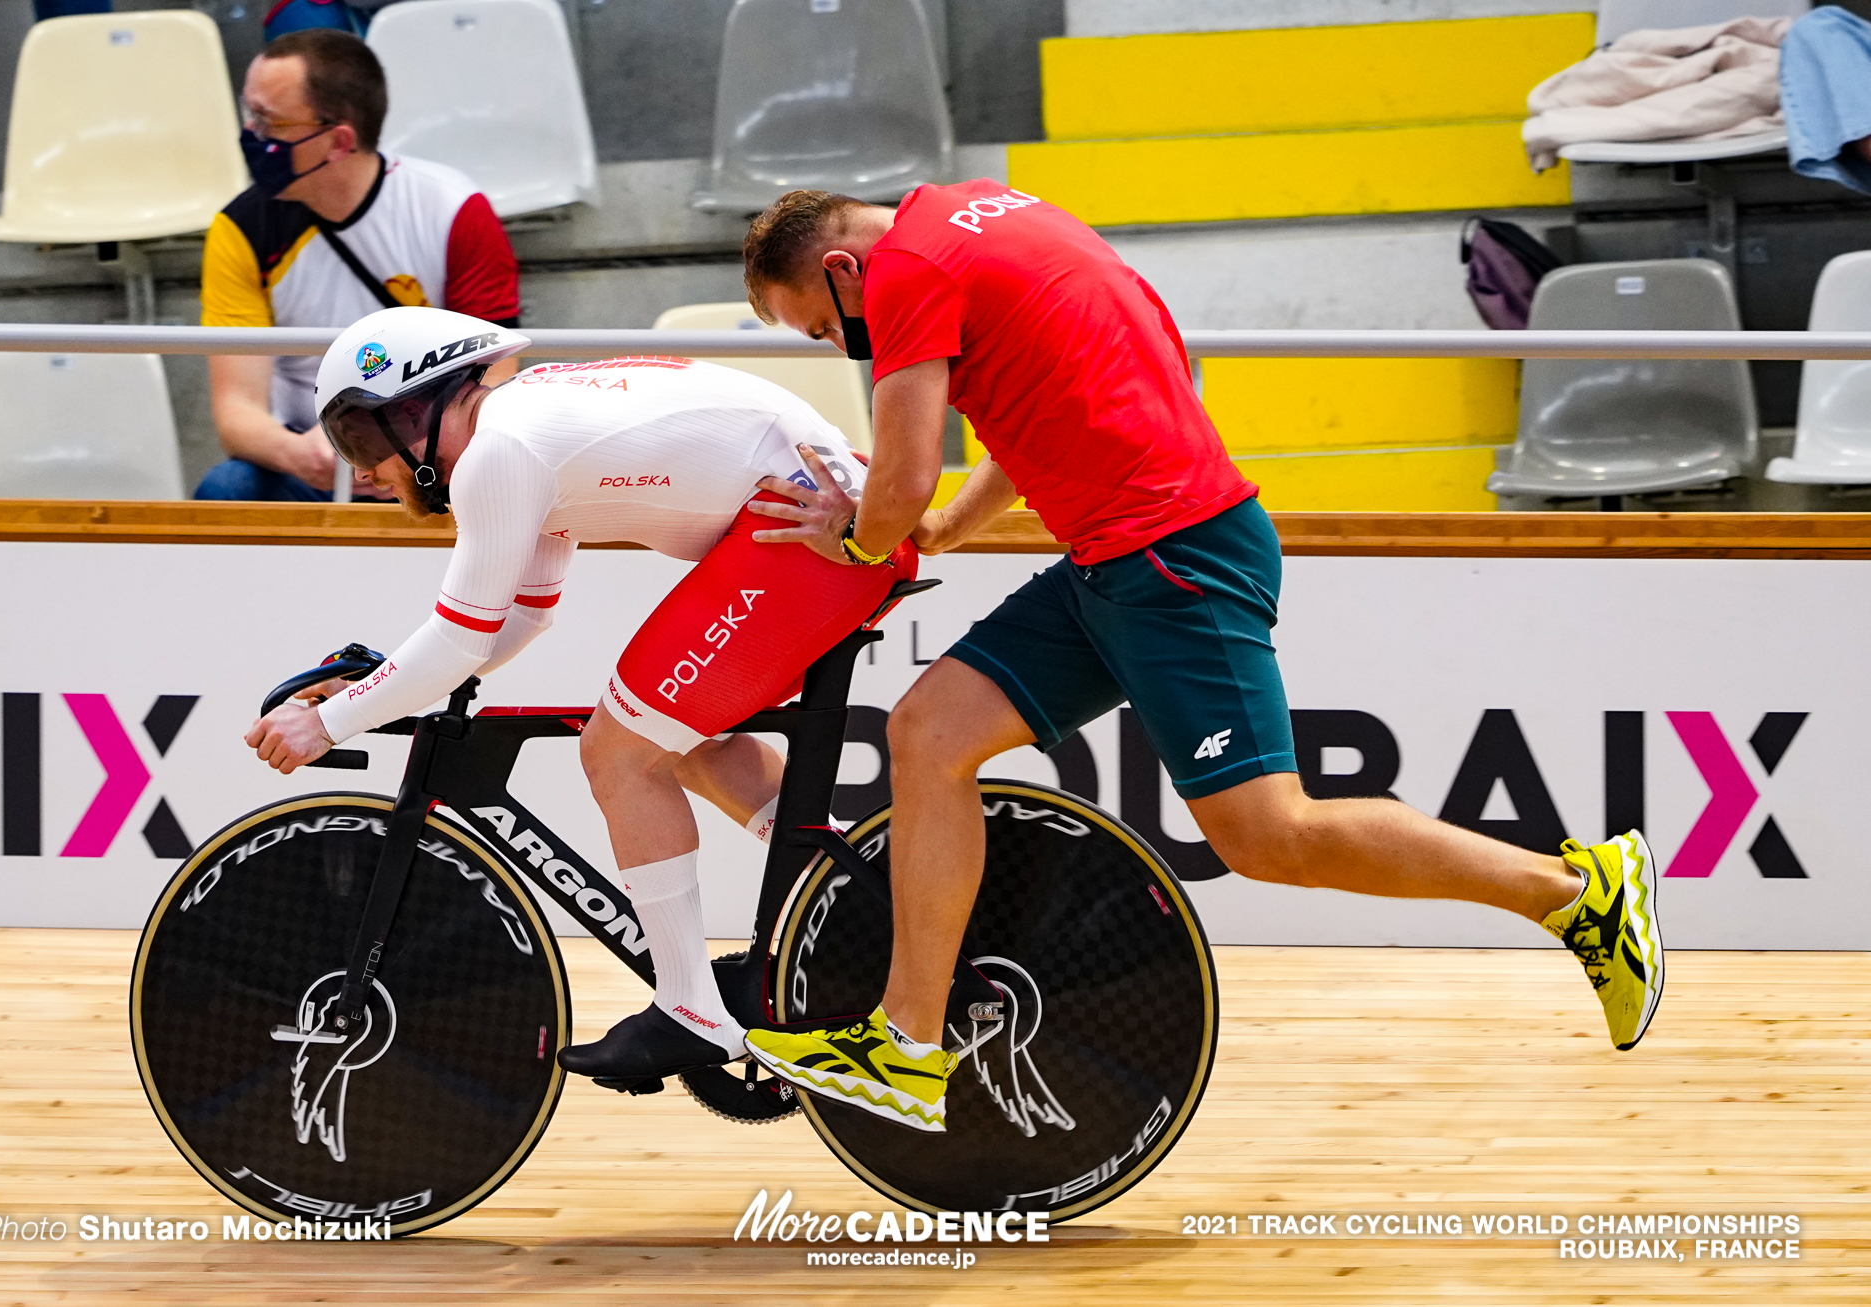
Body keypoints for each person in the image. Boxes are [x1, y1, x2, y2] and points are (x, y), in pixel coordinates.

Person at [733, 184, 1665, 1134]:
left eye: (823, 331)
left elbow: (900, 476)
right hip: (1118, 557)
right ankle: (909, 1046)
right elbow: (1050, 401)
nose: (841, 347)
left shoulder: (904, 274)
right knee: (928, 733)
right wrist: (939, 531)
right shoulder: (983, 213)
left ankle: (1577, 894)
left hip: (1174, 559)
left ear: (843, 269)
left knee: (1269, 836)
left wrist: (856, 537)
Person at [243, 305, 917, 1084]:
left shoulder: (500, 449)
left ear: (416, 411)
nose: (358, 470)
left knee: (619, 751)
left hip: (821, 532)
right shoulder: (522, 429)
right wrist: (382, 684)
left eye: (360, 439)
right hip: (827, 520)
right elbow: (521, 615)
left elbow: (461, 641)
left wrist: (327, 723)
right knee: (683, 744)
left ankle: (695, 1010)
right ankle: (866, 897)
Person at [198, 29, 520, 501]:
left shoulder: (453, 210)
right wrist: (303, 456)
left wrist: (418, 454)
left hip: (435, 461)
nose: (250, 135)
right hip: (312, 462)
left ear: (338, 140)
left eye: (268, 123)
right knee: (227, 489)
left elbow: (497, 372)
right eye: (250, 115)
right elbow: (237, 412)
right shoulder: (239, 230)